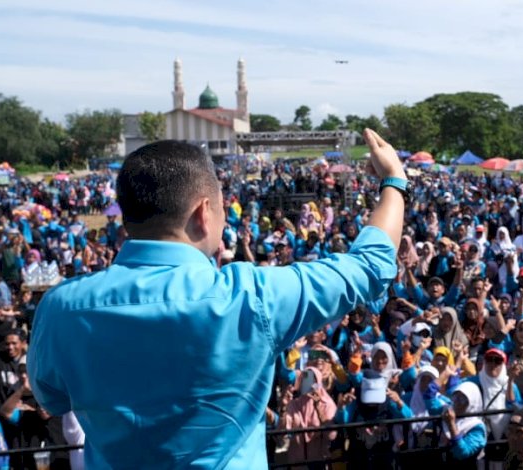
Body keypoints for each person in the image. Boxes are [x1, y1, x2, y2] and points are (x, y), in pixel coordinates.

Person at [28, 129, 406, 469]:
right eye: (224, 208)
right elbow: (371, 265)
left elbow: (54, 399)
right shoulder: (253, 296)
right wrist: (394, 181)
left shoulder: (62, 307)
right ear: (203, 213)